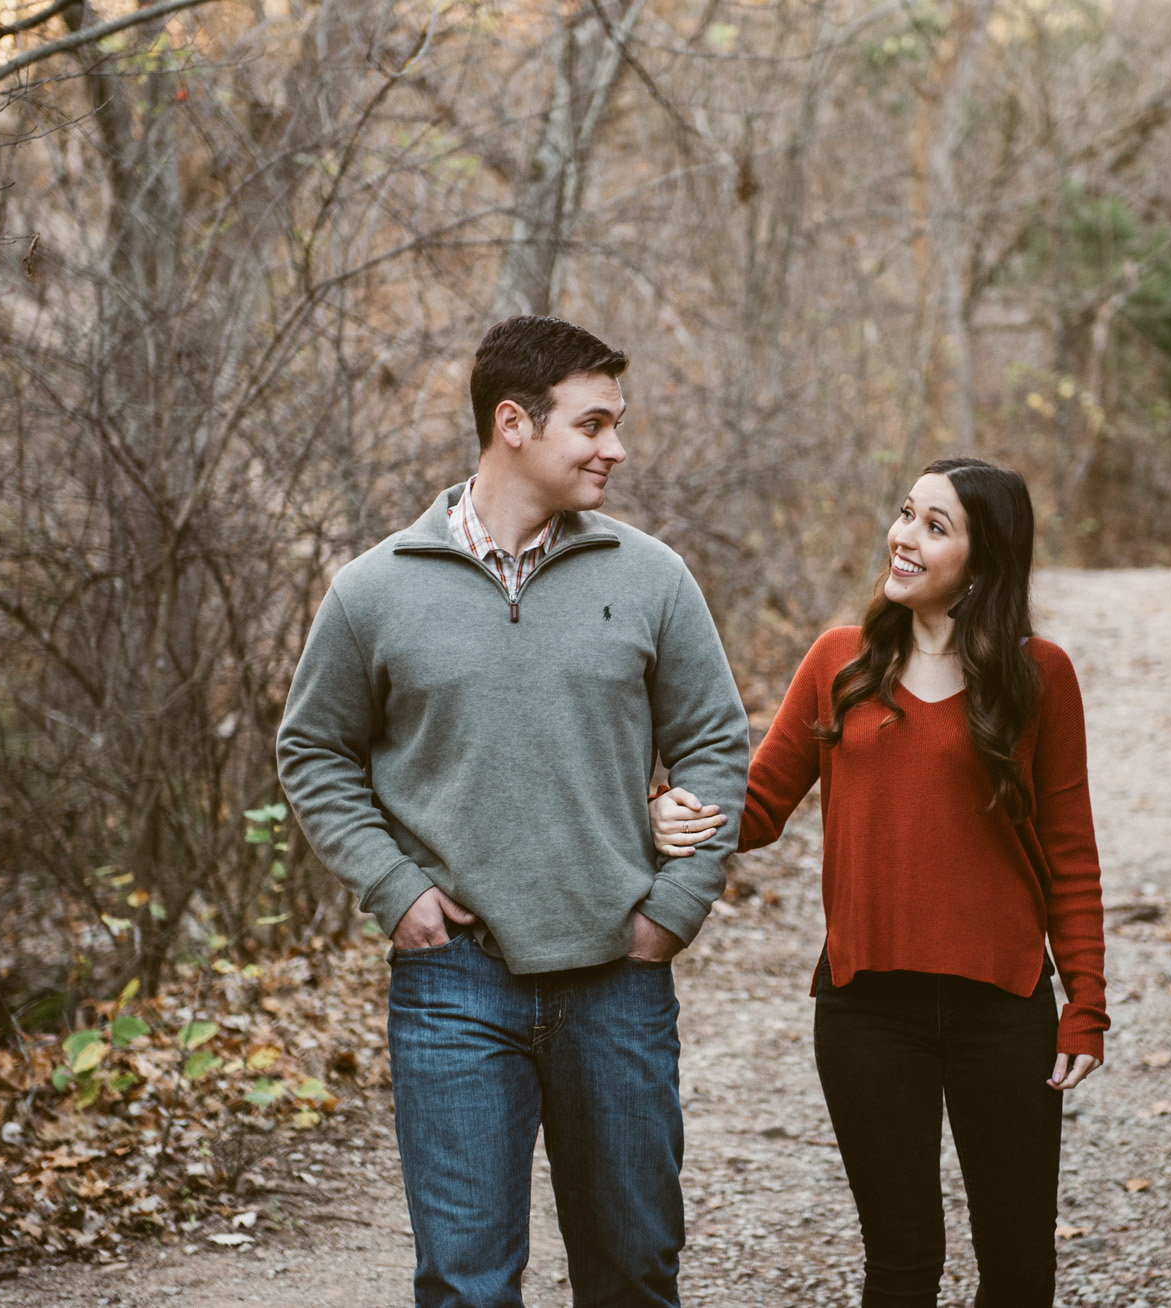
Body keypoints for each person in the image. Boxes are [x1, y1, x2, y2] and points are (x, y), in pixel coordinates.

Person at [277, 315, 750, 1308]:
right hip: (453, 984)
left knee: (633, 1274)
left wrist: (673, 911)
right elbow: (313, 750)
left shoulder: (652, 577)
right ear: (513, 423)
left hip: (618, 979)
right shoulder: (373, 591)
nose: (615, 448)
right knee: (466, 1286)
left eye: (616, 424)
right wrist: (395, 889)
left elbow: (714, 743)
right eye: (593, 424)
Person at [653, 457, 1108, 1308]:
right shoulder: (840, 661)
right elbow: (759, 806)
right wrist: (664, 809)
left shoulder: (1039, 675)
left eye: (935, 526)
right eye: (906, 514)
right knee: (900, 1262)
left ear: (983, 560)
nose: (904, 537)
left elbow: (1070, 852)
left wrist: (1087, 1001)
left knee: (1018, 1265)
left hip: (1004, 1009)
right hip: (867, 1011)